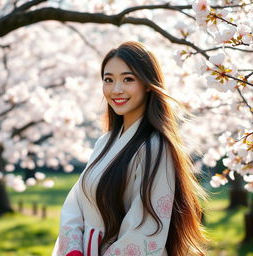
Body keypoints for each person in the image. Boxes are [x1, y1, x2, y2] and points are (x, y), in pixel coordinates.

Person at [52, 41, 207, 256]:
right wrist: (74, 250)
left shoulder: (155, 147)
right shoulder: (104, 143)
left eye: (128, 79)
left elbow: (146, 227)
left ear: (146, 84)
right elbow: (76, 203)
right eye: (108, 80)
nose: (116, 89)